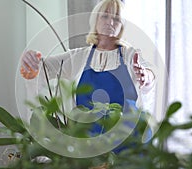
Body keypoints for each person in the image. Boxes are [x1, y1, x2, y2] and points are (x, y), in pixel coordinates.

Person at [20, 0, 155, 153]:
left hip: (130, 145)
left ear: (122, 25)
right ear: (95, 20)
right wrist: (30, 59)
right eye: (105, 16)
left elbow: (149, 75)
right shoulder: (78, 57)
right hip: (89, 148)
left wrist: (145, 77)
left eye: (116, 18)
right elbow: (42, 68)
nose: (110, 22)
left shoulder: (130, 55)